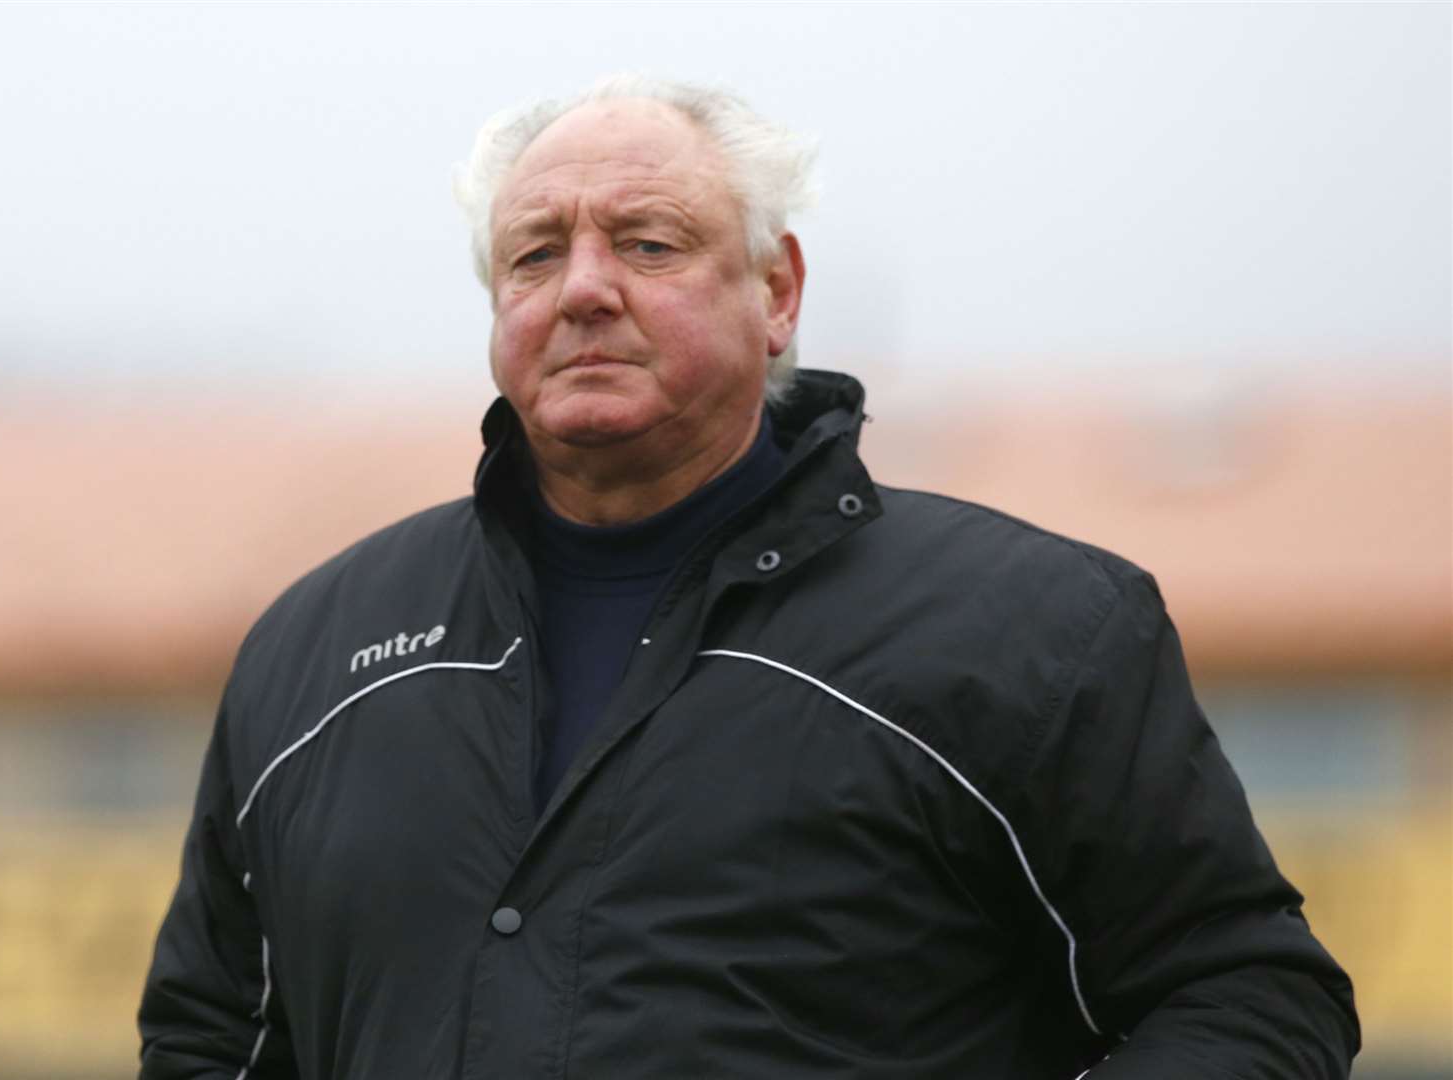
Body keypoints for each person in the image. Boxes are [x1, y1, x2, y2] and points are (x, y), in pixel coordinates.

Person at [138, 74, 1358, 1078]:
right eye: (533, 256)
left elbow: (1248, 998)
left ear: (777, 292)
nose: (585, 289)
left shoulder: (1035, 631)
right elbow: (211, 1040)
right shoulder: (313, 654)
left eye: (649, 244)